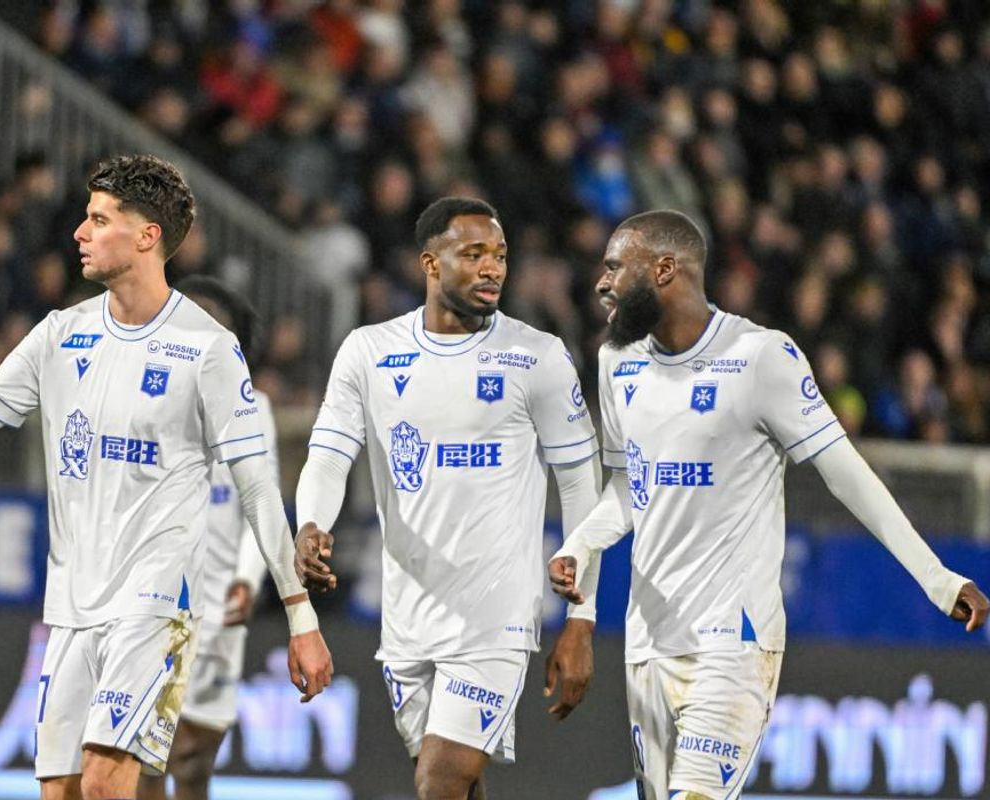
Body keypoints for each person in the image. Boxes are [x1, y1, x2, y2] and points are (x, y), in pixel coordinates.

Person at [0, 155, 332, 800]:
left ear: (146, 235)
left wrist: (302, 620)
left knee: (106, 782)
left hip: (154, 605)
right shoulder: (60, 336)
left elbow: (258, 489)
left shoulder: (208, 349)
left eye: (99, 219)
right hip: (71, 608)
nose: (79, 231)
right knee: (62, 793)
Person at [549, 209, 989, 800]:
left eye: (614, 267)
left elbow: (848, 476)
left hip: (735, 639)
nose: (601, 283)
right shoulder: (616, 361)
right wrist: (580, 545)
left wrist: (936, 578)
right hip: (648, 640)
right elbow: (632, 487)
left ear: (663, 268)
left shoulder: (761, 358)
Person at [294, 196, 604, 800]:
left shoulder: (535, 357)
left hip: (495, 614)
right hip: (408, 614)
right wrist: (311, 523)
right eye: (474, 254)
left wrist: (581, 617)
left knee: (438, 781)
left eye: (500, 255)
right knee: (459, 787)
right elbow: (330, 455)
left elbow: (579, 481)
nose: (493, 268)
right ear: (431, 265)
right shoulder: (369, 352)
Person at [135, 276, 275, 800]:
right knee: (147, 755)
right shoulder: (145, 401)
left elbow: (260, 505)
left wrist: (247, 576)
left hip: (221, 608)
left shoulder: (252, 408)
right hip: (156, 603)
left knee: (194, 763)